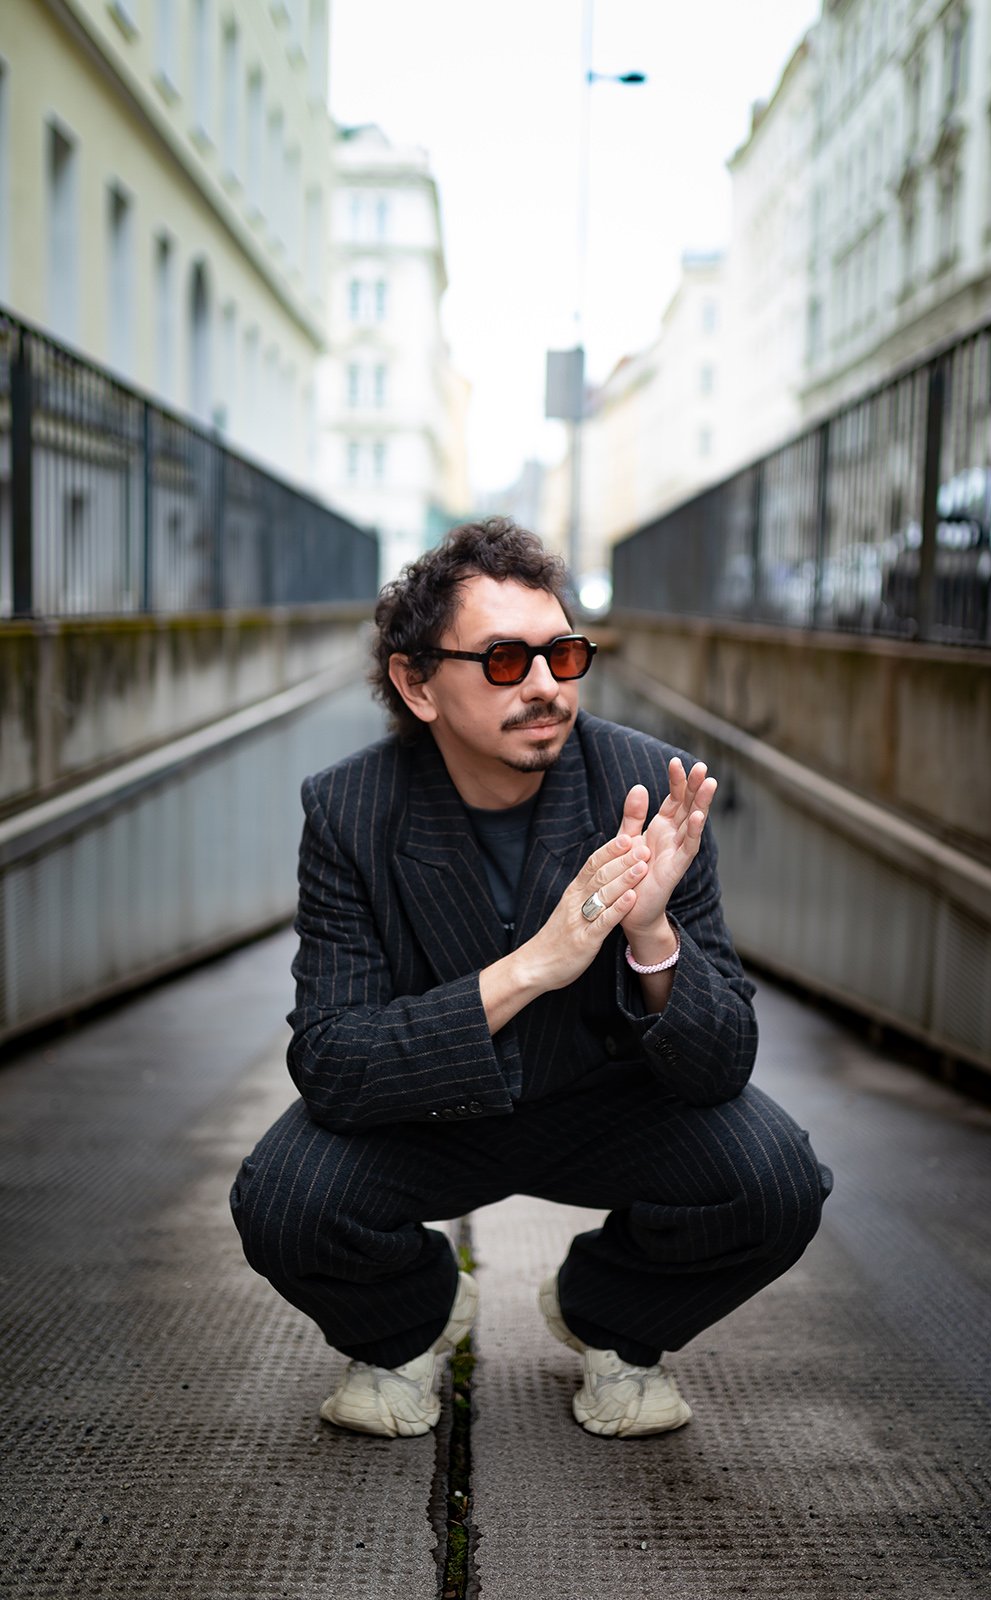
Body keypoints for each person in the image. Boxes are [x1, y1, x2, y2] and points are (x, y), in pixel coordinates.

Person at [231, 518, 831, 1441]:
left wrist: (652, 934)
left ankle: (613, 1319)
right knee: (283, 1201)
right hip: (427, 1115)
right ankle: (407, 1323)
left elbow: (722, 1065)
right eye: (504, 660)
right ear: (416, 683)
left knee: (776, 1181)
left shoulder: (646, 788)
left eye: (563, 654)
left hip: (607, 1106)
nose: (546, 685)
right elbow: (333, 1061)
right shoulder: (350, 807)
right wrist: (527, 969)